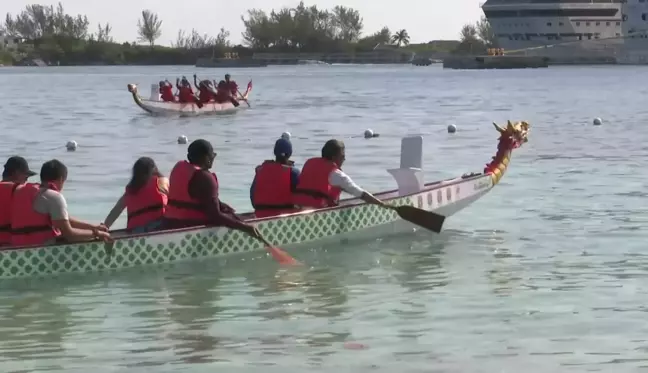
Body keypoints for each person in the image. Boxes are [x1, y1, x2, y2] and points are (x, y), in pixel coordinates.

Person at [162, 139, 262, 240]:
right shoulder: (205, 177)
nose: (213, 158)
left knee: (242, 216)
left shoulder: (179, 167)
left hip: (169, 222)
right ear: (206, 158)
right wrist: (246, 228)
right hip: (189, 227)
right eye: (212, 155)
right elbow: (215, 216)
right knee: (251, 218)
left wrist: (223, 206)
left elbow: (198, 198)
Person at [10, 159, 111, 246]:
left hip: (17, 248)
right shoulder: (54, 197)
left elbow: (63, 220)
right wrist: (97, 234)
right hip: (40, 250)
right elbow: (70, 235)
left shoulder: (25, 191)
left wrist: (93, 227)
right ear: (61, 179)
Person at [294, 139, 392, 209]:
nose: (344, 159)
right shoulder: (336, 174)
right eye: (342, 156)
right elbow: (362, 194)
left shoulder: (309, 163)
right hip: (319, 212)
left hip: (298, 208)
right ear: (333, 157)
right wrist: (383, 205)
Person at [102, 157, 169, 233]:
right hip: (158, 228)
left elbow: (116, 211)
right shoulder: (162, 182)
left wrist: (105, 226)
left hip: (134, 231)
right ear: (154, 169)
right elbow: (175, 199)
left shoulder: (131, 190)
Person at [250, 138, 300, 218]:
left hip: (260, 215)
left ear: (275, 152)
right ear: (290, 154)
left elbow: (253, 195)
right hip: (285, 218)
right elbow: (302, 198)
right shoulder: (293, 172)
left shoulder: (261, 170)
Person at [0, 156, 37, 246]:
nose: (26, 180)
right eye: (26, 177)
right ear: (16, 173)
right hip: (12, 247)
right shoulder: (20, 191)